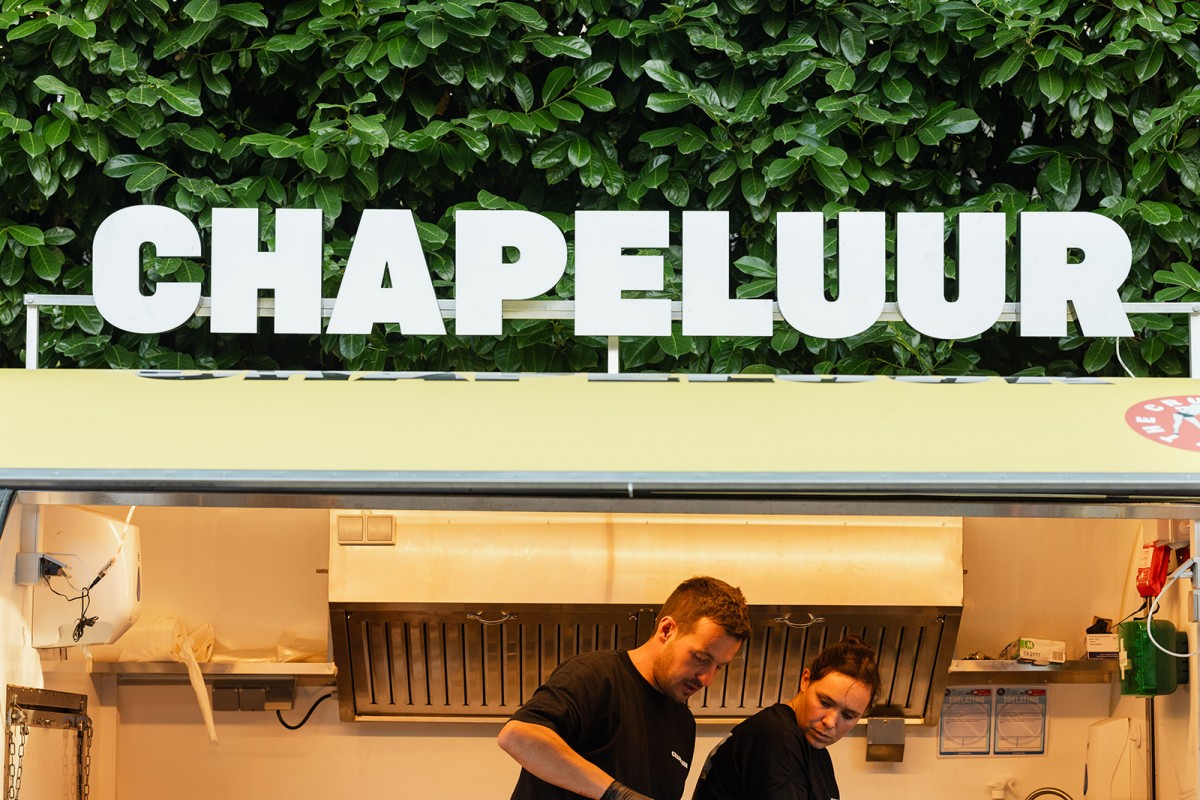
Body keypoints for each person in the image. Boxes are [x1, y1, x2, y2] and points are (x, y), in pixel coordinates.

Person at [497, 575, 752, 800]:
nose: (707, 679)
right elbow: (518, 736)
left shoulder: (683, 723)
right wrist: (617, 795)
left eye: (719, 667)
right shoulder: (596, 677)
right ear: (666, 630)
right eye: (701, 658)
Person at [691, 635, 881, 800]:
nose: (830, 722)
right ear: (805, 680)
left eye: (848, 715)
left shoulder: (813, 751)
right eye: (824, 702)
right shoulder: (775, 736)